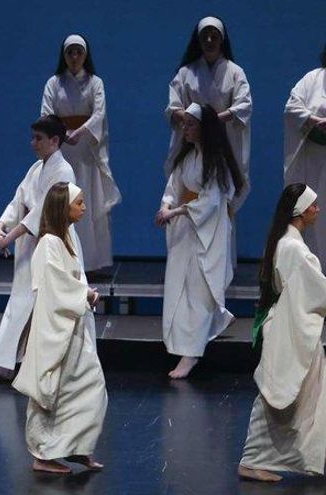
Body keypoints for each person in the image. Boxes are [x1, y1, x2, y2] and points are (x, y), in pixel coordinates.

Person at [0, 115, 79, 379]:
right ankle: (5, 363)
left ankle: (48, 366)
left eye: (39, 139)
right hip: (30, 241)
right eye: (33, 137)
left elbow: (43, 210)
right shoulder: (36, 169)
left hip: (52, 240)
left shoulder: (63, 170)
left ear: (55, 140)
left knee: (45, 303)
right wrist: (1, 225)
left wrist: (9, 238)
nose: (33, 143)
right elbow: (19, 198)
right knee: (21, 300)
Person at [12, 182, 106, 474]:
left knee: (89, 386)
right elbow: (53, 284)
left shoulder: (66, 238)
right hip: (55, 327)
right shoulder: (49, 243)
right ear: (63, 207)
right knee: (49, 390)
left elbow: (68, 280)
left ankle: (76, 447)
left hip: (71, 325)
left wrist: (82, 292)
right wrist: (85, 294)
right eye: (79, 203)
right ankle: (43, 454)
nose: (84, 207)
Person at [238, 184, 326, 482]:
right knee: (282, 396)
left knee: (304, 396)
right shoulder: (293, 248)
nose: (318, 209)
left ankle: (311, 456)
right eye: (313, 205)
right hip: (293, 331)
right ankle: (252, 459)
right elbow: (315, 290)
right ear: (301, 211)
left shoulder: (284, 242)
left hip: (292, 327)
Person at [155, 103, 244, 379]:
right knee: (179, 286)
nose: (185, 128)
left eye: (191, 124)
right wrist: (166, 205)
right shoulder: (187, 158)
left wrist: (177, 210)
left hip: (208, 231)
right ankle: (182, 342)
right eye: (185, 124)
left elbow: (210, 202)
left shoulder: (215, 162)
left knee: (199, 288)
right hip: (186, 230)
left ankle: (191, 352)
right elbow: (174, 187)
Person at [165, 16, 251, 263]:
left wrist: (212, 121)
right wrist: (195, 119)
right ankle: (184, 258)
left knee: (220, 195)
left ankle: (221, 261)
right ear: (198, 40)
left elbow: (244, 105)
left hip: (221, 144)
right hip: (192, 144)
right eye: (205, 36)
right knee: (188, 188)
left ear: (222, 39)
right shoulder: (186, 72)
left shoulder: (235, 72)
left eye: (215, 35)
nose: (210, 40)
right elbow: (173, 107)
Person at [40, 34, 120, 273]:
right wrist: (64, 133)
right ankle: (61, 257)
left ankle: (91, 261)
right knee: (62, 201)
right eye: (70, 53)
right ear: (63, 56)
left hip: (86, 150)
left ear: (85, 55)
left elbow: (99, 114)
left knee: (87, 202)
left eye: (79, 52)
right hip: (62, 149)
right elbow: (46, 113)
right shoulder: (54, 83)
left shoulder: (96, 83)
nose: (74, 57)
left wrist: (79, 132)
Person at [283, 44, 326, 264]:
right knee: (312, 213)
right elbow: (292, 107)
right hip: (313, 157)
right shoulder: (313, 79)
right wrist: (313, 120)